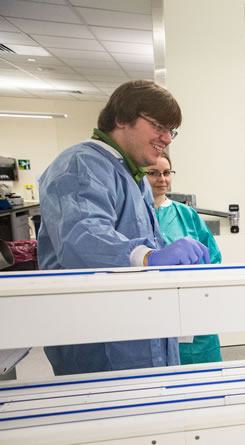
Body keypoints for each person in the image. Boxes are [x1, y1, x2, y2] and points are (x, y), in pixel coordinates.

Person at [38, 80, 210, 376]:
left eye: (171, 131)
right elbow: (81, 237)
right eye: (159, 126)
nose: (166, 139)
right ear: (121, 119)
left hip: (140, 333)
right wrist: (148, 257)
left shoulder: (133, 176)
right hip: (99, 344)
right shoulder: (81, 165)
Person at [148, 152, 223, 364]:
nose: (161, 179)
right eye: (153, 173)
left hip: (190, 302)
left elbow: (213, 257)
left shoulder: (186, 214)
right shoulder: (134, 215)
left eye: (166, 173)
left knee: (199, 363)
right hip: (149, 304)